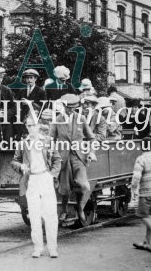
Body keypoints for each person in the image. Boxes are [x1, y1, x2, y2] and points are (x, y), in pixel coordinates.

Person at [11, 110, 62, 258]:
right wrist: (21, 167)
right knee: (34, 215)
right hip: (31, 180)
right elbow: (14, 161)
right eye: (28, 125)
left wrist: (52, 175)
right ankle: (38, 248)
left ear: (38, 126)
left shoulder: (47, 141)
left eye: (33, 125)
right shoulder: (23, 144)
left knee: (50, 215)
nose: (31, 128)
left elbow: (57, 160)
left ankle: (53, 248)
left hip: (45, 178)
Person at [50, 94, 96, 223]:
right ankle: (64, 210)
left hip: (79, 157)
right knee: (64, 188)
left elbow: (91, 138)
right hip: (63, 158)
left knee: (83, 185)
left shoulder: (81, 118)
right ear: (64, 106)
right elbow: (50, 140)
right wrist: (53, 155)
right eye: (69, 107)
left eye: (74, 108)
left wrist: (91, 152)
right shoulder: (57, 120)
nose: (71, 110)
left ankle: (80, 206)